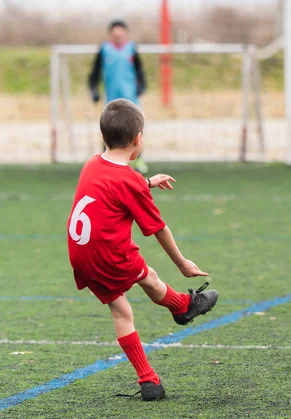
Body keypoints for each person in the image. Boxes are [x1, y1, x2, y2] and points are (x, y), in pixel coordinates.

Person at [66, 99, 219, 401]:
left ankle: (149, 381)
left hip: (81, 255)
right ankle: (182, 306)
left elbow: (114, 186)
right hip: (110, 254)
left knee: (121, 310)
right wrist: (183, 264)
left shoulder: (93, 163)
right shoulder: (129, 181)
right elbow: (158, 229)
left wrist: (146, 182)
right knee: (147, 275)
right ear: (138, 140)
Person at [88, 20, 149, 174]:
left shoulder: (131, 49)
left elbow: (139, 70)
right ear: (111, 34)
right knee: (109, 129)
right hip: (112, 100)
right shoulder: (104, 49)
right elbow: (95, 72)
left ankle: (138, 161)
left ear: (125, 33)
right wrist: (94, 89)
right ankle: (107, 162)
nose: (118, 35)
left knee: (136, 129)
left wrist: (141, 86)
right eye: (115, 32)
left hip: (131, 98)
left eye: (120, 32)